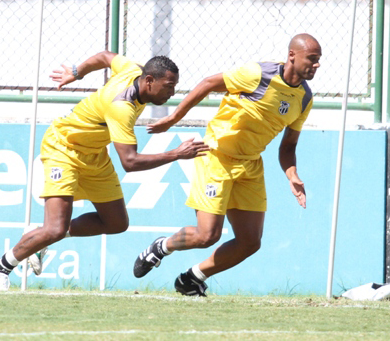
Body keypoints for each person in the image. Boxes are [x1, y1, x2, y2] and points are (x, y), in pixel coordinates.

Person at [0, 51, 211, 290]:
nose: (172, 93)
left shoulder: (133, 68)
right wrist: (176, 154)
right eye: (168, 86)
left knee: (116, 222)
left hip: (94, 154)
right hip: (64, 148)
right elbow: (130, 162)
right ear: (149, 81)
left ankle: (39, 237)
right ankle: (0, 267)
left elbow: (105, 56)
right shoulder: (122, 107)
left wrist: (76, 73)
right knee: (55, 228)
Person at [133, 33, 322, 296]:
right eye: (311, 58)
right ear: (292, 55)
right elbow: (209, 83)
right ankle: (162, 247)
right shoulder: (258, 74)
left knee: (250, 242)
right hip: (217, 157)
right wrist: (173, 117)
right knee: (206, 236)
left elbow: (288, 147)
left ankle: (191, 279)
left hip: (250, 165)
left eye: (318, 60)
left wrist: (292, 175)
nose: (316, 64)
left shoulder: (304, 98)